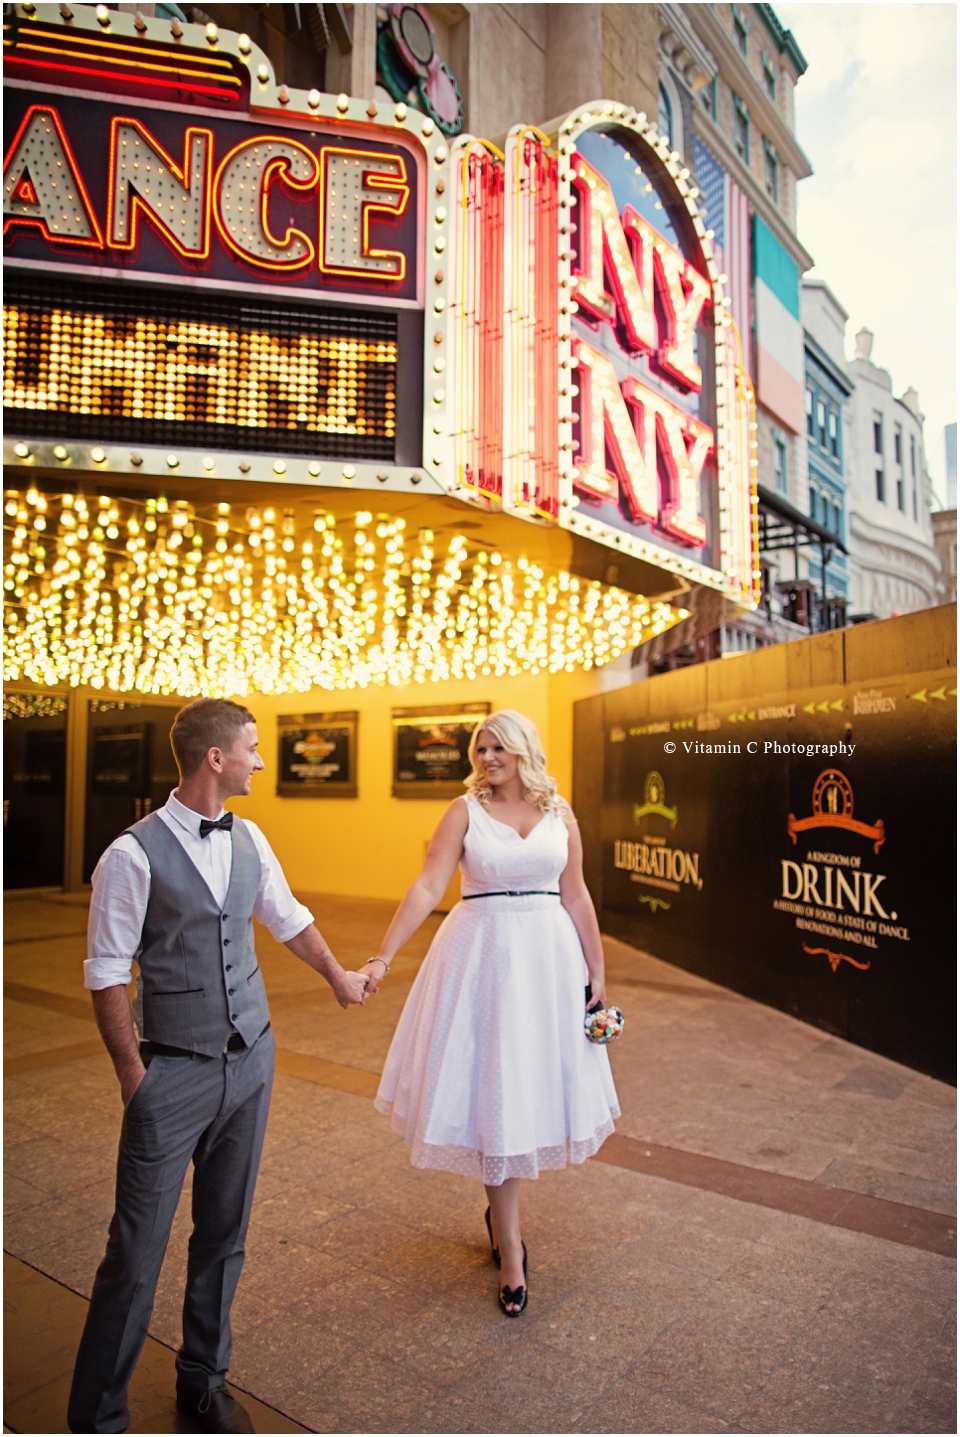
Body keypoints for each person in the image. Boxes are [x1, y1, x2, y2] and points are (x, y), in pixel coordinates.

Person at [68, 698, 368, 1434]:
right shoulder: (130, 855)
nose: (260, 760)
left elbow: (288, 916)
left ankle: (201, 1378)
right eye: (253, 749)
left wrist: (337, 977)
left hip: (251, 1062)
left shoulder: (252, 837)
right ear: (216, 758)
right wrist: (136, 1080)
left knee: (224, 1234)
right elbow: (108, 976)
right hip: (170, 1075)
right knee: (134, 1254)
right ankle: (97, 1416)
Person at [364, 709, 619, 1316]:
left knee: (532, 1089)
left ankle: (502, 1224)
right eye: (480, 748)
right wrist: (383, 957)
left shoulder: (560, 813)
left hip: (549, 964)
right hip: (484, 958)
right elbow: (429, 885)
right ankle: (510, 1250)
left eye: (498, 747)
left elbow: (576, 893)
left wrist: (598, 968)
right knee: (498, 1095)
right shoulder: (463, 812)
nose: (487, 758)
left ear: (524, 750)